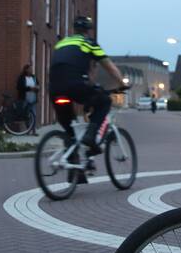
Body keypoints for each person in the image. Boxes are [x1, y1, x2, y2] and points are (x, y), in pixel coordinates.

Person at [49, 16, 125, 158]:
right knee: (104, 101)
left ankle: (75, 170)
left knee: (71, 133)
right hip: (74, 84)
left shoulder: (62, 43)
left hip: (54, 87)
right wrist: (122, 83)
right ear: (88, 31)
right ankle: (91, 136)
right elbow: (110, 68)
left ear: (74, 29)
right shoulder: (89, 43)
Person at [16, 64, 39, 134]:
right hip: (24, 99)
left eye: (32, 69)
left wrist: (37, 88)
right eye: (30, 69)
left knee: (33, 115)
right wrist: (29, 88)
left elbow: (38, 85)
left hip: (33, 99)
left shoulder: (34, 77)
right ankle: (27, 130)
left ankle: (34, 131)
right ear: (26, 70)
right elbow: (19, 87)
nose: (31, 70)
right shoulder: (22, 78)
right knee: (25, 115)